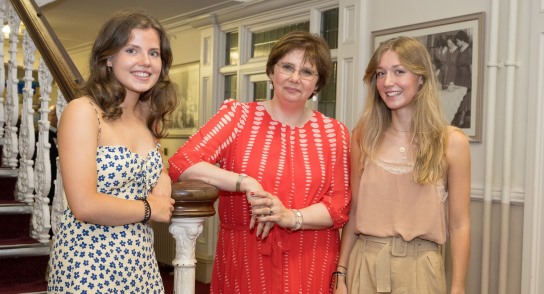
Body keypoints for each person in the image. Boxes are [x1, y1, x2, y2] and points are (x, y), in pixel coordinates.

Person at [168, 31, 351, 293]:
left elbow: (339, 205)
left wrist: (290, 217)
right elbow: (182, 163)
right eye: (287, 67)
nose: (295, 78)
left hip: (311, 259)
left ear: (318, 83)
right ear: (271, 71)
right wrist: (244, 182)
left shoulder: (335, 133)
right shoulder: (238, 117)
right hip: (245, 257)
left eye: (307, 72)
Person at [47, 9, 177, 293]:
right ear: (108, 58)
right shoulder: (83, 112)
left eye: (154, 53)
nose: (145, 62)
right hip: (89, 263)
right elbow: (84, 205)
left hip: (140, 262)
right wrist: (149, 208)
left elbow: (147, 163)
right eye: (132, 50)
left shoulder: (147, 114)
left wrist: (163, 174)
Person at [334, 36, 471, 294]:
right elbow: (354, 210)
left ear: (421, 78)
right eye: (381, 73)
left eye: (399, 72)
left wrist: (458, 287)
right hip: (365, 264)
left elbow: (459, 224)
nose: (388, 82)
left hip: (421, 269)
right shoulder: (363, 135)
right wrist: (340, 273)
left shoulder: (451, 142)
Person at [452, 30, 473, 127]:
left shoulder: (469, 51)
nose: (457, 43)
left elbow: (471, 66)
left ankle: (462, 119)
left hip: (465, 75)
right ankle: (458, 117)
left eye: (457, 41)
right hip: (459, 75)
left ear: (462, 40)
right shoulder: (461, 50)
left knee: (465, 97)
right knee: (458, 96)